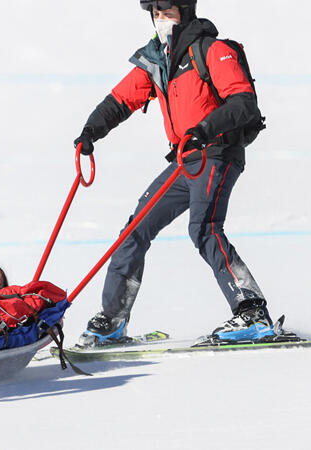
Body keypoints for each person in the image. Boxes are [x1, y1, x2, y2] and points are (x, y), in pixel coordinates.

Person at [73, 0, 272, 346]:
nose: (161, 20)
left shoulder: (212, 50)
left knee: (204, 229)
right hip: (184, 160)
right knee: (134, 229)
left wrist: (204, 129)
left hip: (217, 153)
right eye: (156, 14)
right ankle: (113, 319)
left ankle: (252, 312)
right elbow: (120, 100)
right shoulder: (157, 59)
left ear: (186, 12)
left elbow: (243, 102)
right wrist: (91, 131)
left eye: (168, 13)